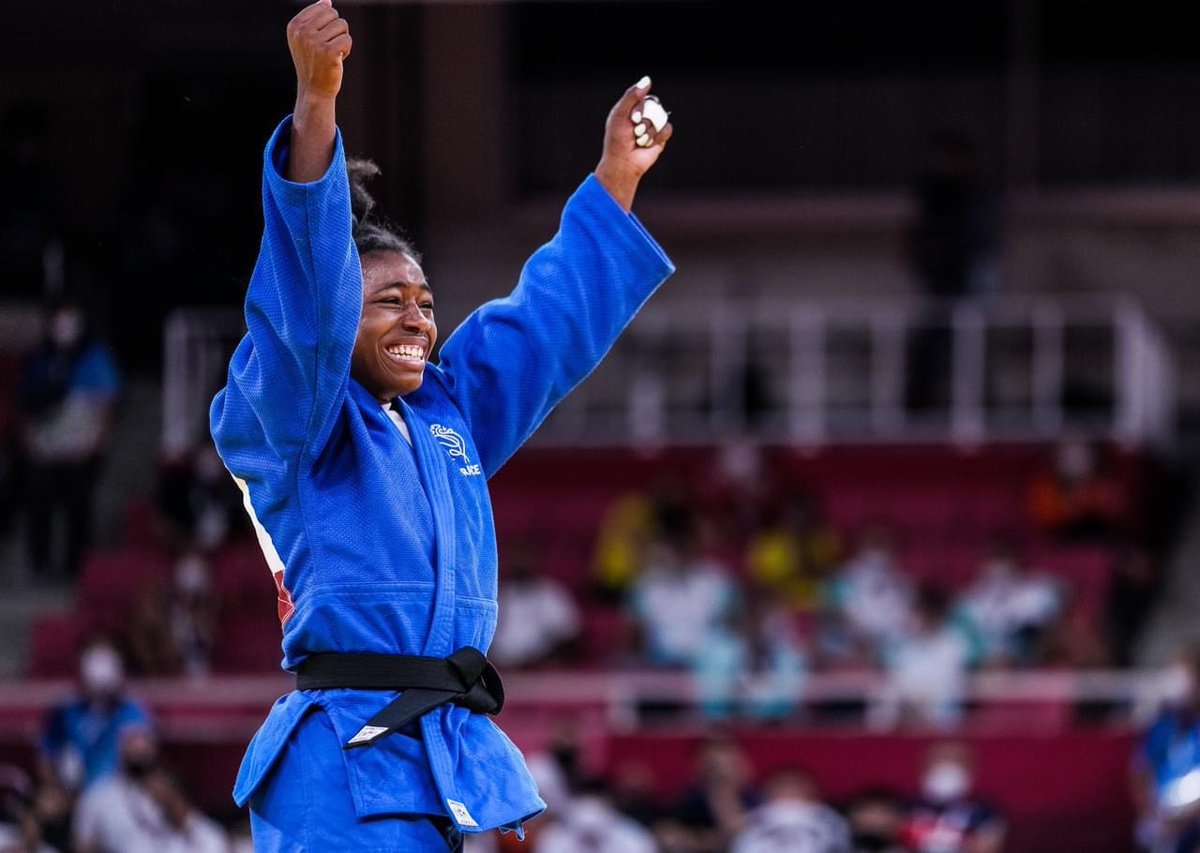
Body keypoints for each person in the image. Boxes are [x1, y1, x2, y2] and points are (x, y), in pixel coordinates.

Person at [207, 1, 675, 848]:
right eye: (388, 302)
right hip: (340, 756)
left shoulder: (441, 416)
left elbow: (545, 326)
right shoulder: (292, 419)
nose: (418, 320)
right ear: (340, 317)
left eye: (425, 303)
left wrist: (616, 180)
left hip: (438, 752)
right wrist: (317, 106)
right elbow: (302, 308)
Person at [16, 294, 122, 581]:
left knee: (78, 503)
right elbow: (26, 404)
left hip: (82, 449)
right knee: (39, 501)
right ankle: (38, 563)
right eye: (59, 319)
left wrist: (97, 442)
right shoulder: (40, 358)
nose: (64, 325)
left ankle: (76, 566)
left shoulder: (95, 357)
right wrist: (30, 441)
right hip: (46, 450)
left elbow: (107, 405)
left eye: (70, 318)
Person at [73, 725, 229, 853]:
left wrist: (169, 803)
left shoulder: (168, 793)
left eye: (143, 753)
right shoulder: (99, 795)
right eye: (133, 751)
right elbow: (83, 844)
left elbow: (205, 837)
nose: (139, 757)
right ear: (120, 752)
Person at [38, 634, 153, 794]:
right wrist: (58, 790)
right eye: (94, 659)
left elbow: (143, 757)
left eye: (106, 660)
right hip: (71, 794)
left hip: (119, 794)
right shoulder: (64, 710)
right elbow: (46, 758)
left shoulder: (132, 709)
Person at [1131, 647, 1200, 852]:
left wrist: (1184, 822)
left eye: (1185, 677)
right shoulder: (1163, 726)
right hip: (1161, 818)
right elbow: (1139, 773)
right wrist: (1152, 815)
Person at [898, 742, 1007, 853]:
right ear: (923, 767)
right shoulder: (904, 806)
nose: (947, 767)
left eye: (956, 761)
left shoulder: (986, 811)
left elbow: (989, 846)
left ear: (972, 770)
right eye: (940, 760)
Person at [490, 549, 582, 670]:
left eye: (524, 561)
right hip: (500, 667)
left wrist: (542, 660)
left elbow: (568, 635)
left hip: (538, 667)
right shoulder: (499, 594)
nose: (521, 565)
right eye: (517, 561)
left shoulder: (550, 594)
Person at [731, 766, 851, 853]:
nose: (789, 789)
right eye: (782, 784)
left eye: (795, 784)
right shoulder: (754, 817)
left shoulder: (830, 818)